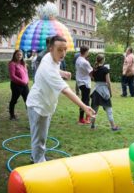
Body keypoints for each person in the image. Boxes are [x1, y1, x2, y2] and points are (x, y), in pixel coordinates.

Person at [26, 35, 95, 163]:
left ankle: (34, 156)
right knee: (40, 140)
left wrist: (63, 73)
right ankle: (39, 166)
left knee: (39, 136)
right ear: (51, 49)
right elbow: (66, 90)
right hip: (39, 106)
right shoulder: (48, 66)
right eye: (59, 50)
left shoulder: (50, 57)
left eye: (65, 49)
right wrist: (84, 107)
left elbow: (55, 69)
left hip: (45, 104)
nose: (63, 53)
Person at [90, 54, 120, 131]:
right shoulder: (105, 69)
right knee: (109, 110)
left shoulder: (94, 69)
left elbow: (90, 75)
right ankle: (113, 127)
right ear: (103, 60)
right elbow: (108, 82)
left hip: (96, 91)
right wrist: (110, 92)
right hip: (104, 91)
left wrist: (95, 79)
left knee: (94, 110)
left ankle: (92, 125)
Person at [8, 49, 29, 120]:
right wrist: (23, 82)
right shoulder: (12, 64)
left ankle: (30, 116)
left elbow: (26, 73)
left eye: (20, 55)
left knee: (28, 101)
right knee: (14, 100)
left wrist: (27, 80)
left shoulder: (23, 63)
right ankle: (12, 115)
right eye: (18, 54)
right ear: (14, 55)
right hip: (16, 86)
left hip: (25, 85)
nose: (19, 56)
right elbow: (12, 76)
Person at [75, 45, 93, 124]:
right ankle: (84, 118)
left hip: (80, 82)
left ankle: (84, 117)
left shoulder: (78, 59)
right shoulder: (85, 62)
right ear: (86, 52)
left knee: (84, 100)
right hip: (85, 83)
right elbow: (91, 73)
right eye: (88, 51)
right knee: (85, 101)